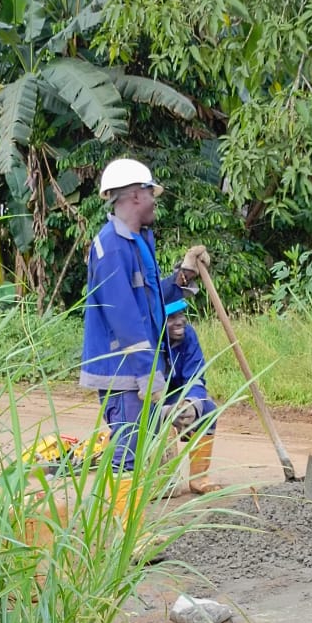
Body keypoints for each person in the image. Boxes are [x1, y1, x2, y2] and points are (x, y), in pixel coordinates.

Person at [80, 155, 209, 520]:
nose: (155, 200)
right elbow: (124, 320)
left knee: (141, 448)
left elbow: (150, 302)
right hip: (124, 371)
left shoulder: (138, 241)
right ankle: (123, 536)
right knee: (128, 450)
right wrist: (146, 375)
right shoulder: (110, 248)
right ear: (136, 194)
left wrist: (183, 276)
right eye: (151, 193)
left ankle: (134, 530)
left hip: (142, 368)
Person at [161, 278, 220, 493]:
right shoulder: (148, 343)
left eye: (181, 315)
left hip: (178, 397)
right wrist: (166, 411)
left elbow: (195, 377)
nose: (180, 321)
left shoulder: (189, 336)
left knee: (207, 408)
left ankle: (198, 477)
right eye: (171, 317)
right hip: (149, 403)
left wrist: (191, 404)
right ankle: (162, 480)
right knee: (157, 421)